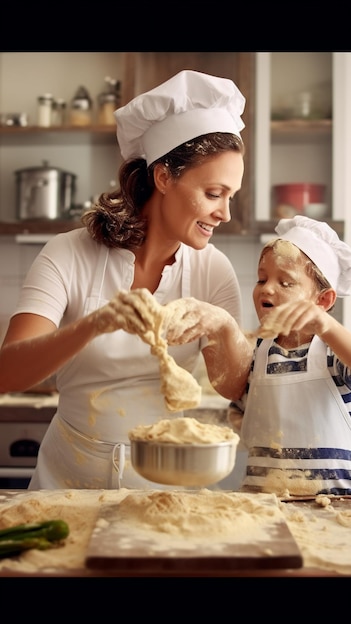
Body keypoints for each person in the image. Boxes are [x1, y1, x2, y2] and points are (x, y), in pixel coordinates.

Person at [0, 69, 253, 490]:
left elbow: (231, 386)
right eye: (213, 194)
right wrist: (96, 323)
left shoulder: (213, 269)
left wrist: (224, 327)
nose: (225, 213)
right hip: (67, 482)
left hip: (165, 482)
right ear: (164, 177)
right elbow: (8, 373)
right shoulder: (68, 254)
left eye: (232, 197)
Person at [226, 215, 351, 497]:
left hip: (334, 510)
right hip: (263, 504)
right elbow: (241, 413)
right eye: (261, 278)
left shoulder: (333, 353)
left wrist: (327, 326)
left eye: (286, 283)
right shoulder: (258, 352)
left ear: (323, 301)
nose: (267, 288)